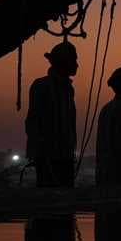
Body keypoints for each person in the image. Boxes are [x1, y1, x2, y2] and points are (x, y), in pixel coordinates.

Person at [25, 40, 78, 188]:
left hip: (66, 155)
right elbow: (32, 122)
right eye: (73, 60)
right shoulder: (41, 86)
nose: (76, 65)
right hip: (48, 157)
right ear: (62, 63)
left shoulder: (68, 89)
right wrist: (40, 151)